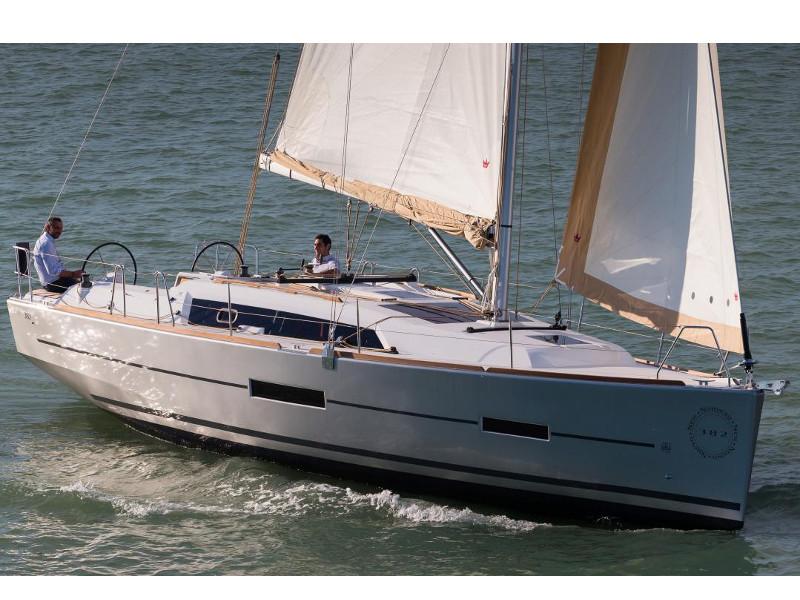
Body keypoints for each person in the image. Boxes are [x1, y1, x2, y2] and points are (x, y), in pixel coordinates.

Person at [33, 217, 83, 292]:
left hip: (54, 280)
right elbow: (53, 271)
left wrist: (72, 275)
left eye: (61, 228)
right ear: (48, 227)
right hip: (53, 284)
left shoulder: (46, 239)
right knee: (85, 288)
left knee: (84, 282)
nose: (59, 231)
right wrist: (73, 274)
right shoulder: (46, 244)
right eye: (56, 228)